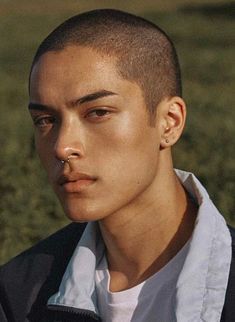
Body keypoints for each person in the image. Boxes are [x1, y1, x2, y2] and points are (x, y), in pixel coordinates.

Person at [0, 9, 234, 322]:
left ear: (170, 122)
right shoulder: (19, 294)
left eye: (97, 113)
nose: (62, 146)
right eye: (46, 120)